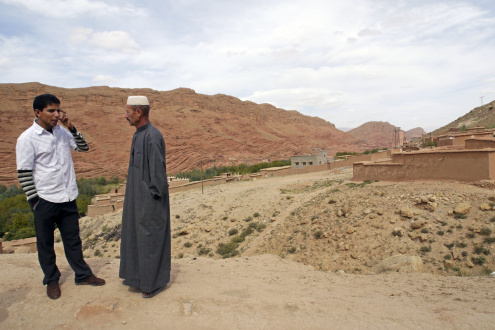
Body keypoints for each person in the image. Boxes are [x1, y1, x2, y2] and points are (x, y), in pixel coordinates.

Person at [16, 93, 105, 300]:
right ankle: (52, 280)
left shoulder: (62, 133)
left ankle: (82, 275)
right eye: (51, 111)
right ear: (38, 112)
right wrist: (35, 202)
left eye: (58, 110)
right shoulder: (27, 138)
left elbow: (84, 147)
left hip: (68, 196)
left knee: (73, 240)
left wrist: (71, 127)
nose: (56, 114)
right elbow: (24, 172)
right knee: (45, 243)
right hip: (45, 199)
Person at [119, 95, 171, 298]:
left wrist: (151, 199)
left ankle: (151, 284)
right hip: (137, 200)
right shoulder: (138, 134)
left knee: (150, 240)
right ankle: (138, 278)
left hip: (150, 202)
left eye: (128, 111)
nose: (126, 116)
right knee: (137, 238)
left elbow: (158, 174)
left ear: (138, 112)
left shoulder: (152, 135)